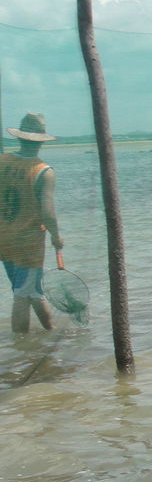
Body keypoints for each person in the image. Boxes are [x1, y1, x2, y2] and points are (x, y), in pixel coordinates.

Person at [0, 112, 62, 333]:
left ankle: (51, 330)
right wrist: (56, 235)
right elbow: (47, 212)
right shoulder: (43, 171)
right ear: (41, 141)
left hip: (3, 239)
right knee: (22, 295)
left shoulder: (2, 160)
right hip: (27, 243)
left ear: (19, 137)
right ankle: (22, 350)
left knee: (31, 289)